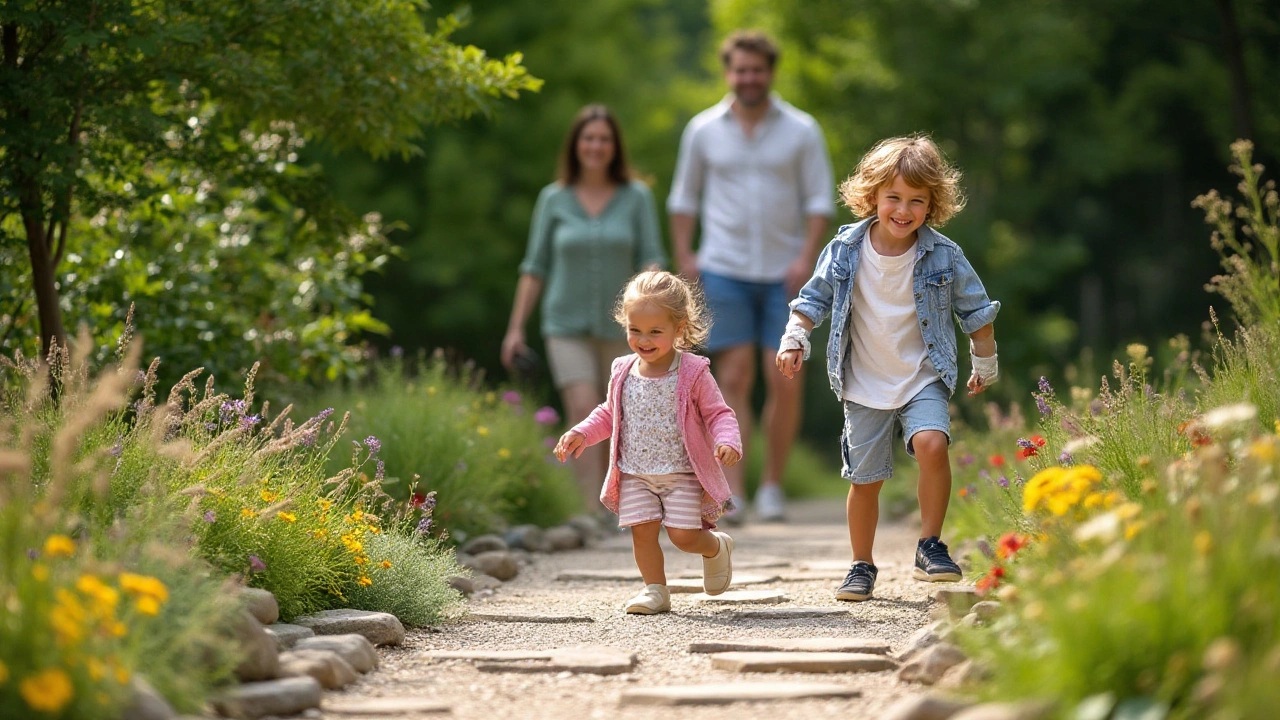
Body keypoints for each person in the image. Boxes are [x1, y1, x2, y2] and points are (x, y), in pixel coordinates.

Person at [776, 135, 1001, 602]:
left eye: (916, 201)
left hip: (923, 375)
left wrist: (986, 362)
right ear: (872, 196)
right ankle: (862, 564)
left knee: (932, 444)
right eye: (893, 198)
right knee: (866, 478)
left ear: (932, 204)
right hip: (863, 380)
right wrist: (794, 338)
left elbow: (976, 312)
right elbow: (811, 300)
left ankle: (930, 544)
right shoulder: (844, 249)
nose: (903, 210)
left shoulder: (944, 255)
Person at [667, 30, 834, 523]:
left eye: (757, 70)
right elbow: (683, 199)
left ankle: (774, 486)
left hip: (787, 272)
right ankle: (732, 487)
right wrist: (685, 255)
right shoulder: (703, 129)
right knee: (732, 376)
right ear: (728, 72)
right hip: (723, 267)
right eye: (740, 70)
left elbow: (819, 201)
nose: (749, 78)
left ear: (770, 73)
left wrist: (807, 258)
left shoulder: (802, 130)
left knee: (782, 378)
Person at [503, 105, 667, 510]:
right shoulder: (553, 199)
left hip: (628, 330)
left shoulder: (636, 197)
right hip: (565, 324)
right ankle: (586, 510)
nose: (596, 146)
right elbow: (534, 267)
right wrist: (516, 328)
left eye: (604, 139)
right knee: (582, 409)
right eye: (588, 138)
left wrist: (657, 306)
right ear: (576, 145)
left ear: (615, 147)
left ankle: (627, 505)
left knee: (623, 415)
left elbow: (651, 256)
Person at [554, 271, 742, 614]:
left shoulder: (693, 372)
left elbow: (719, 414)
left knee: (683, 537)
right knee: (642, 532)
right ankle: (655, 590)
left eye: (655, 331)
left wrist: (727, 440)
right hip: (635, 473)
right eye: (635, 330)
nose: (644, 339)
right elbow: (609, 413)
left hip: (682, 473)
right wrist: (582, 431)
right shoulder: (622, 370)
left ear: (679, 328)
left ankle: (715, 547)